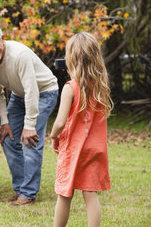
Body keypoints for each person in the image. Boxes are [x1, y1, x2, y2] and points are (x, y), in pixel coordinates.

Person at [0, 21, 59, 206]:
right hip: (19, 95)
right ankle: (21, 188)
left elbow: (32, 90)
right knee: (8, 138)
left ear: (2, 39)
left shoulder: (19, 55)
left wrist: (29, 125)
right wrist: (5, 122)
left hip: (44, 92)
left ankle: (29, 193)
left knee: (30, 140)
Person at [50, 32, 112, 227]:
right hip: (95, 148)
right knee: (90, 193)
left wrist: (53, 136)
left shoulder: (70, 87)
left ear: (71, 59)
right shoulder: (100, 86)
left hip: (73, 148)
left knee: (64, 194)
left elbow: (60, 122)